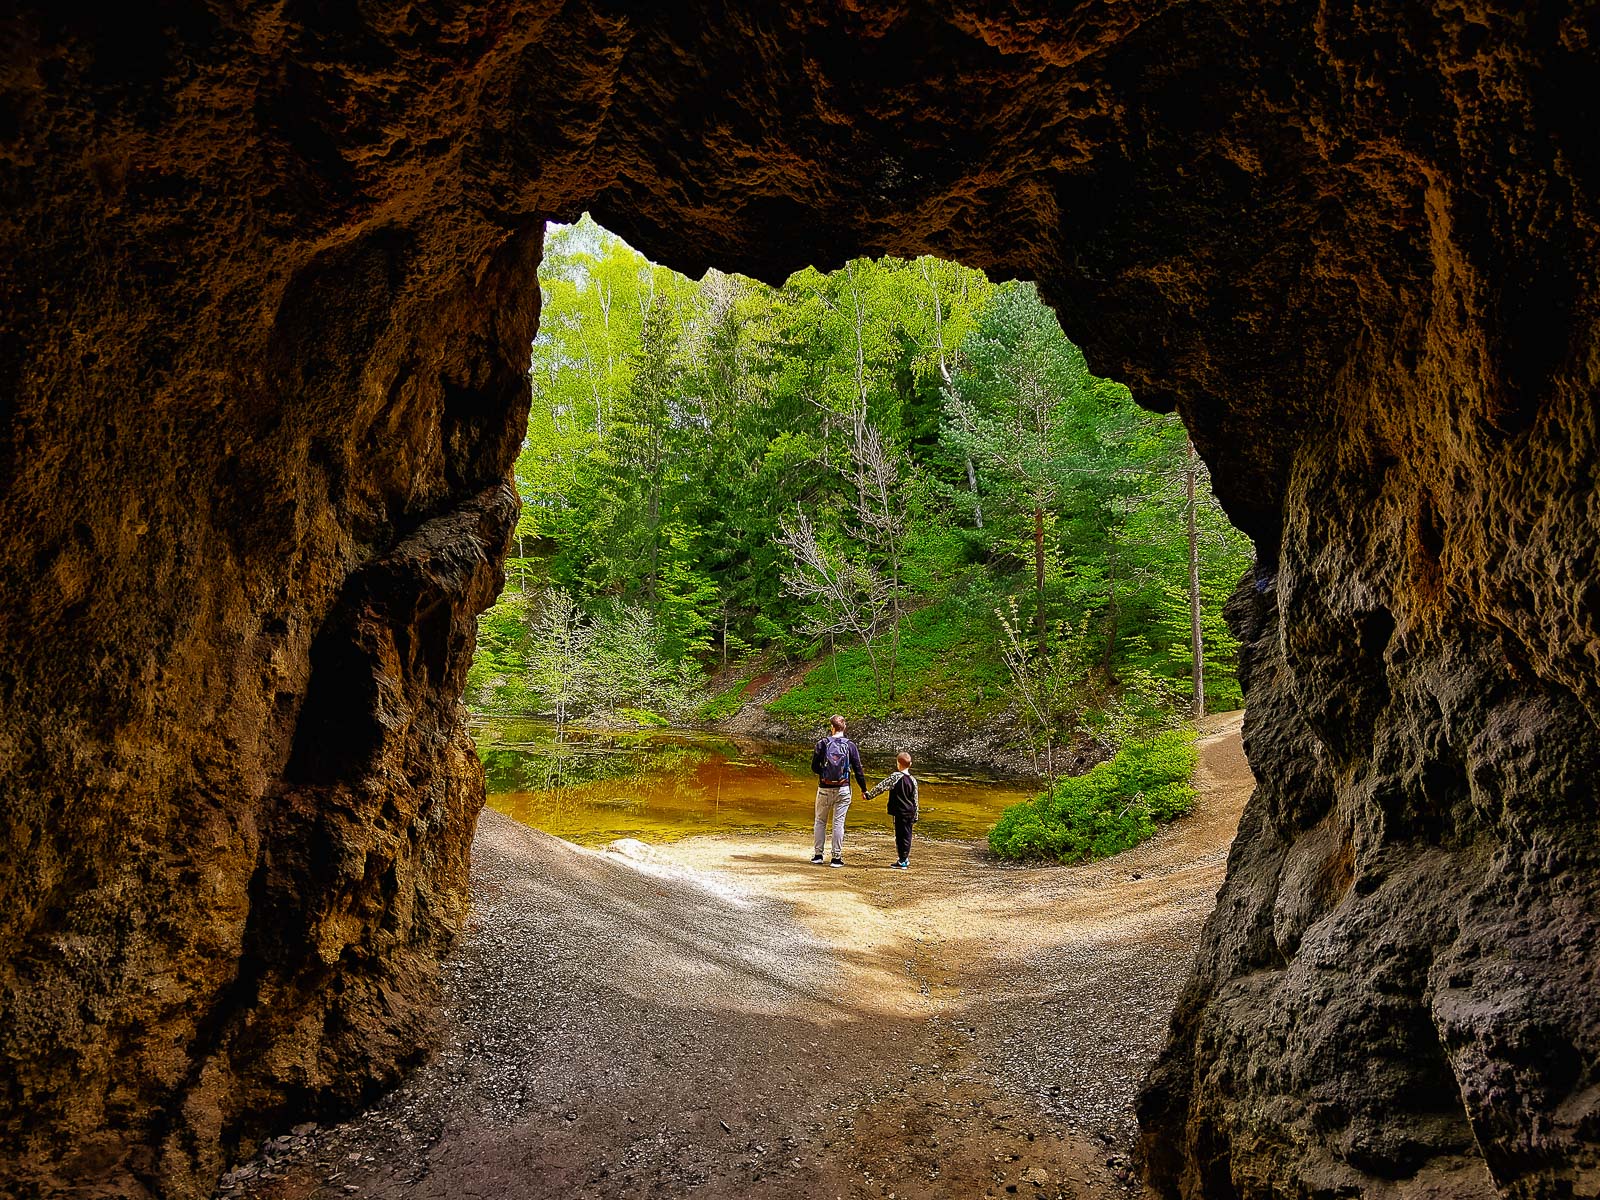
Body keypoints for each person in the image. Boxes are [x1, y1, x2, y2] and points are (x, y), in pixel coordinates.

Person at [810, 714, 867, 867]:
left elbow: (814, 767)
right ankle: (836, 858)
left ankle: (818, 855)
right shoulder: (850, 745)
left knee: (820, 821)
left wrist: (823, 773)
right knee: (838, 823)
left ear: (832, 727)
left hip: (824, 788)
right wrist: (864, 789)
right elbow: (858, 770)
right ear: (844, 728)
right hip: (843, 788)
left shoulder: (822, 743)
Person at [867, 751, 919, 869]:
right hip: (910, 811)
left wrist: (869, 795)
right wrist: (916, 814)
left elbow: (881, 787)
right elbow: (915, 798)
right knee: (907, 835)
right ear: (910, 764)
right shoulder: (913, 780)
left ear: (898, 764)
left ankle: (902, 860)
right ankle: (904, 858)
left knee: (900, 836)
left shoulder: (895, 777)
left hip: (900, 812)